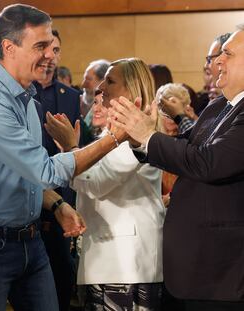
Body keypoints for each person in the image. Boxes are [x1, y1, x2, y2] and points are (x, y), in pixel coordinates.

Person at [0, 4, 126, 311]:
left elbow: (25, 174)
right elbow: (45, 171)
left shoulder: (26, 99)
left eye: (50, 46)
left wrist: (56, 204)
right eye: (41, 46)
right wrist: (116, 137)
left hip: (31, 242)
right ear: (9, 47)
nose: (50, 55)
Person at [109, 25, 244, 311]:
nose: (217, 61)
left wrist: (148, 135)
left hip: (222, 273)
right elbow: (185, 145)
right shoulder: (219, 106)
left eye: (227, 54)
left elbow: (208, 162)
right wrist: (138, 137)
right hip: (191, 268)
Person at [55, 58, 165, 311]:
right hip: (110, 262)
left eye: (110, 81)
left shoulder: (136, 136)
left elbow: (95, 183)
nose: (100, 87)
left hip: (124, 265)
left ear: (132, 89)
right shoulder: (113, 134)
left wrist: (70, 148)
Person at [33, 29, 80, 311]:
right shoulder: (22, 92)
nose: (50, 57)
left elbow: (75, 146)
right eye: (45, 49)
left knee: (61, 274)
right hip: (28, 192)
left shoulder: (71, 96)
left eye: (57, 50)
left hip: (60, 193)